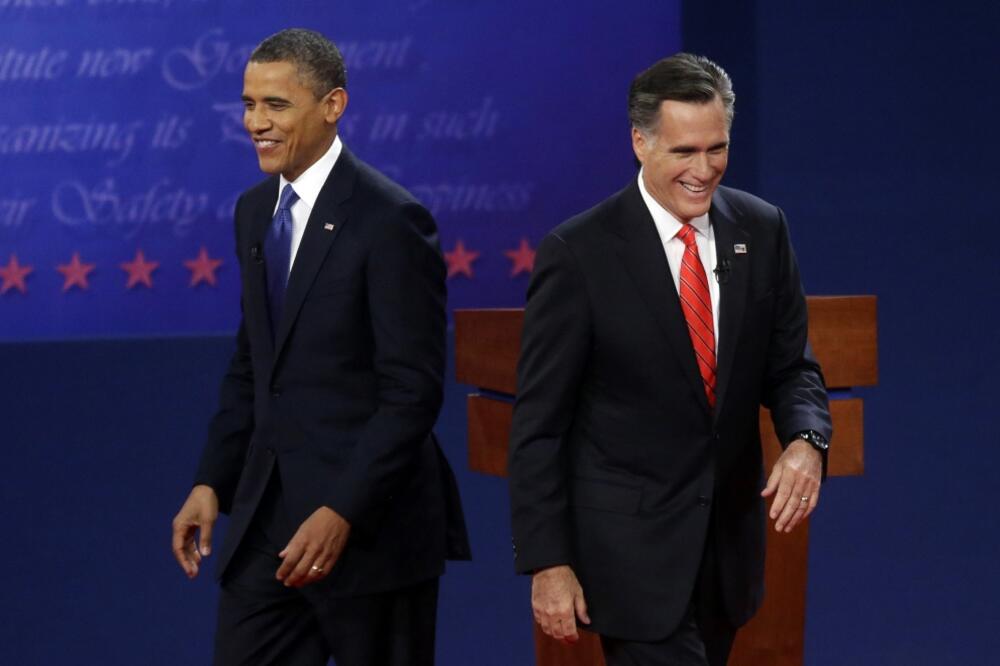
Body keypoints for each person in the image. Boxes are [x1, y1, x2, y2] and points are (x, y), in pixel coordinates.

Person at [507, 53, 832, 666]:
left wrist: (807, 440)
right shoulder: (579, 253)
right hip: (629, 557)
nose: (703, 170)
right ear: (640, 142)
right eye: (684, 151)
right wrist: (548, 561)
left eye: (717, 149)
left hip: (726, 554)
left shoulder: (761, 230)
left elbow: (792, 367)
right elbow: (539, 425)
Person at [170, 28, 469, 666]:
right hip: (269, 523)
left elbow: (411, 393)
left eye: (276, 105)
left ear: (333, 105)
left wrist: (343, 510)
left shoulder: (391, 220)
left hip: (371, 533)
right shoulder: (254, 212)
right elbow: (255, 364)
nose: (256, 122)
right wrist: (212, 480)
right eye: (249, 104)